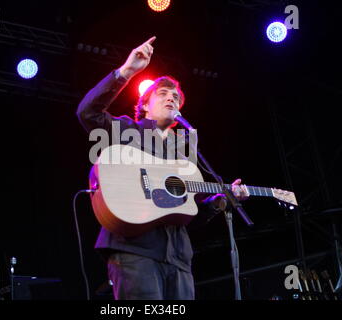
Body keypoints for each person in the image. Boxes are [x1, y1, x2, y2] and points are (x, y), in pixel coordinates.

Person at [77, 36, 249, 300]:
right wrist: (127, 71)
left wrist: (220, 202)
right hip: (134, 250)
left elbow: (186, 212)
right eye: (163, 94)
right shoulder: (128, 130)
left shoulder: (184, 155)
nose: (172, 99)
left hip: (179, 260)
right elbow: (87, 113)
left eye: (176, 97)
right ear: (144, 105)